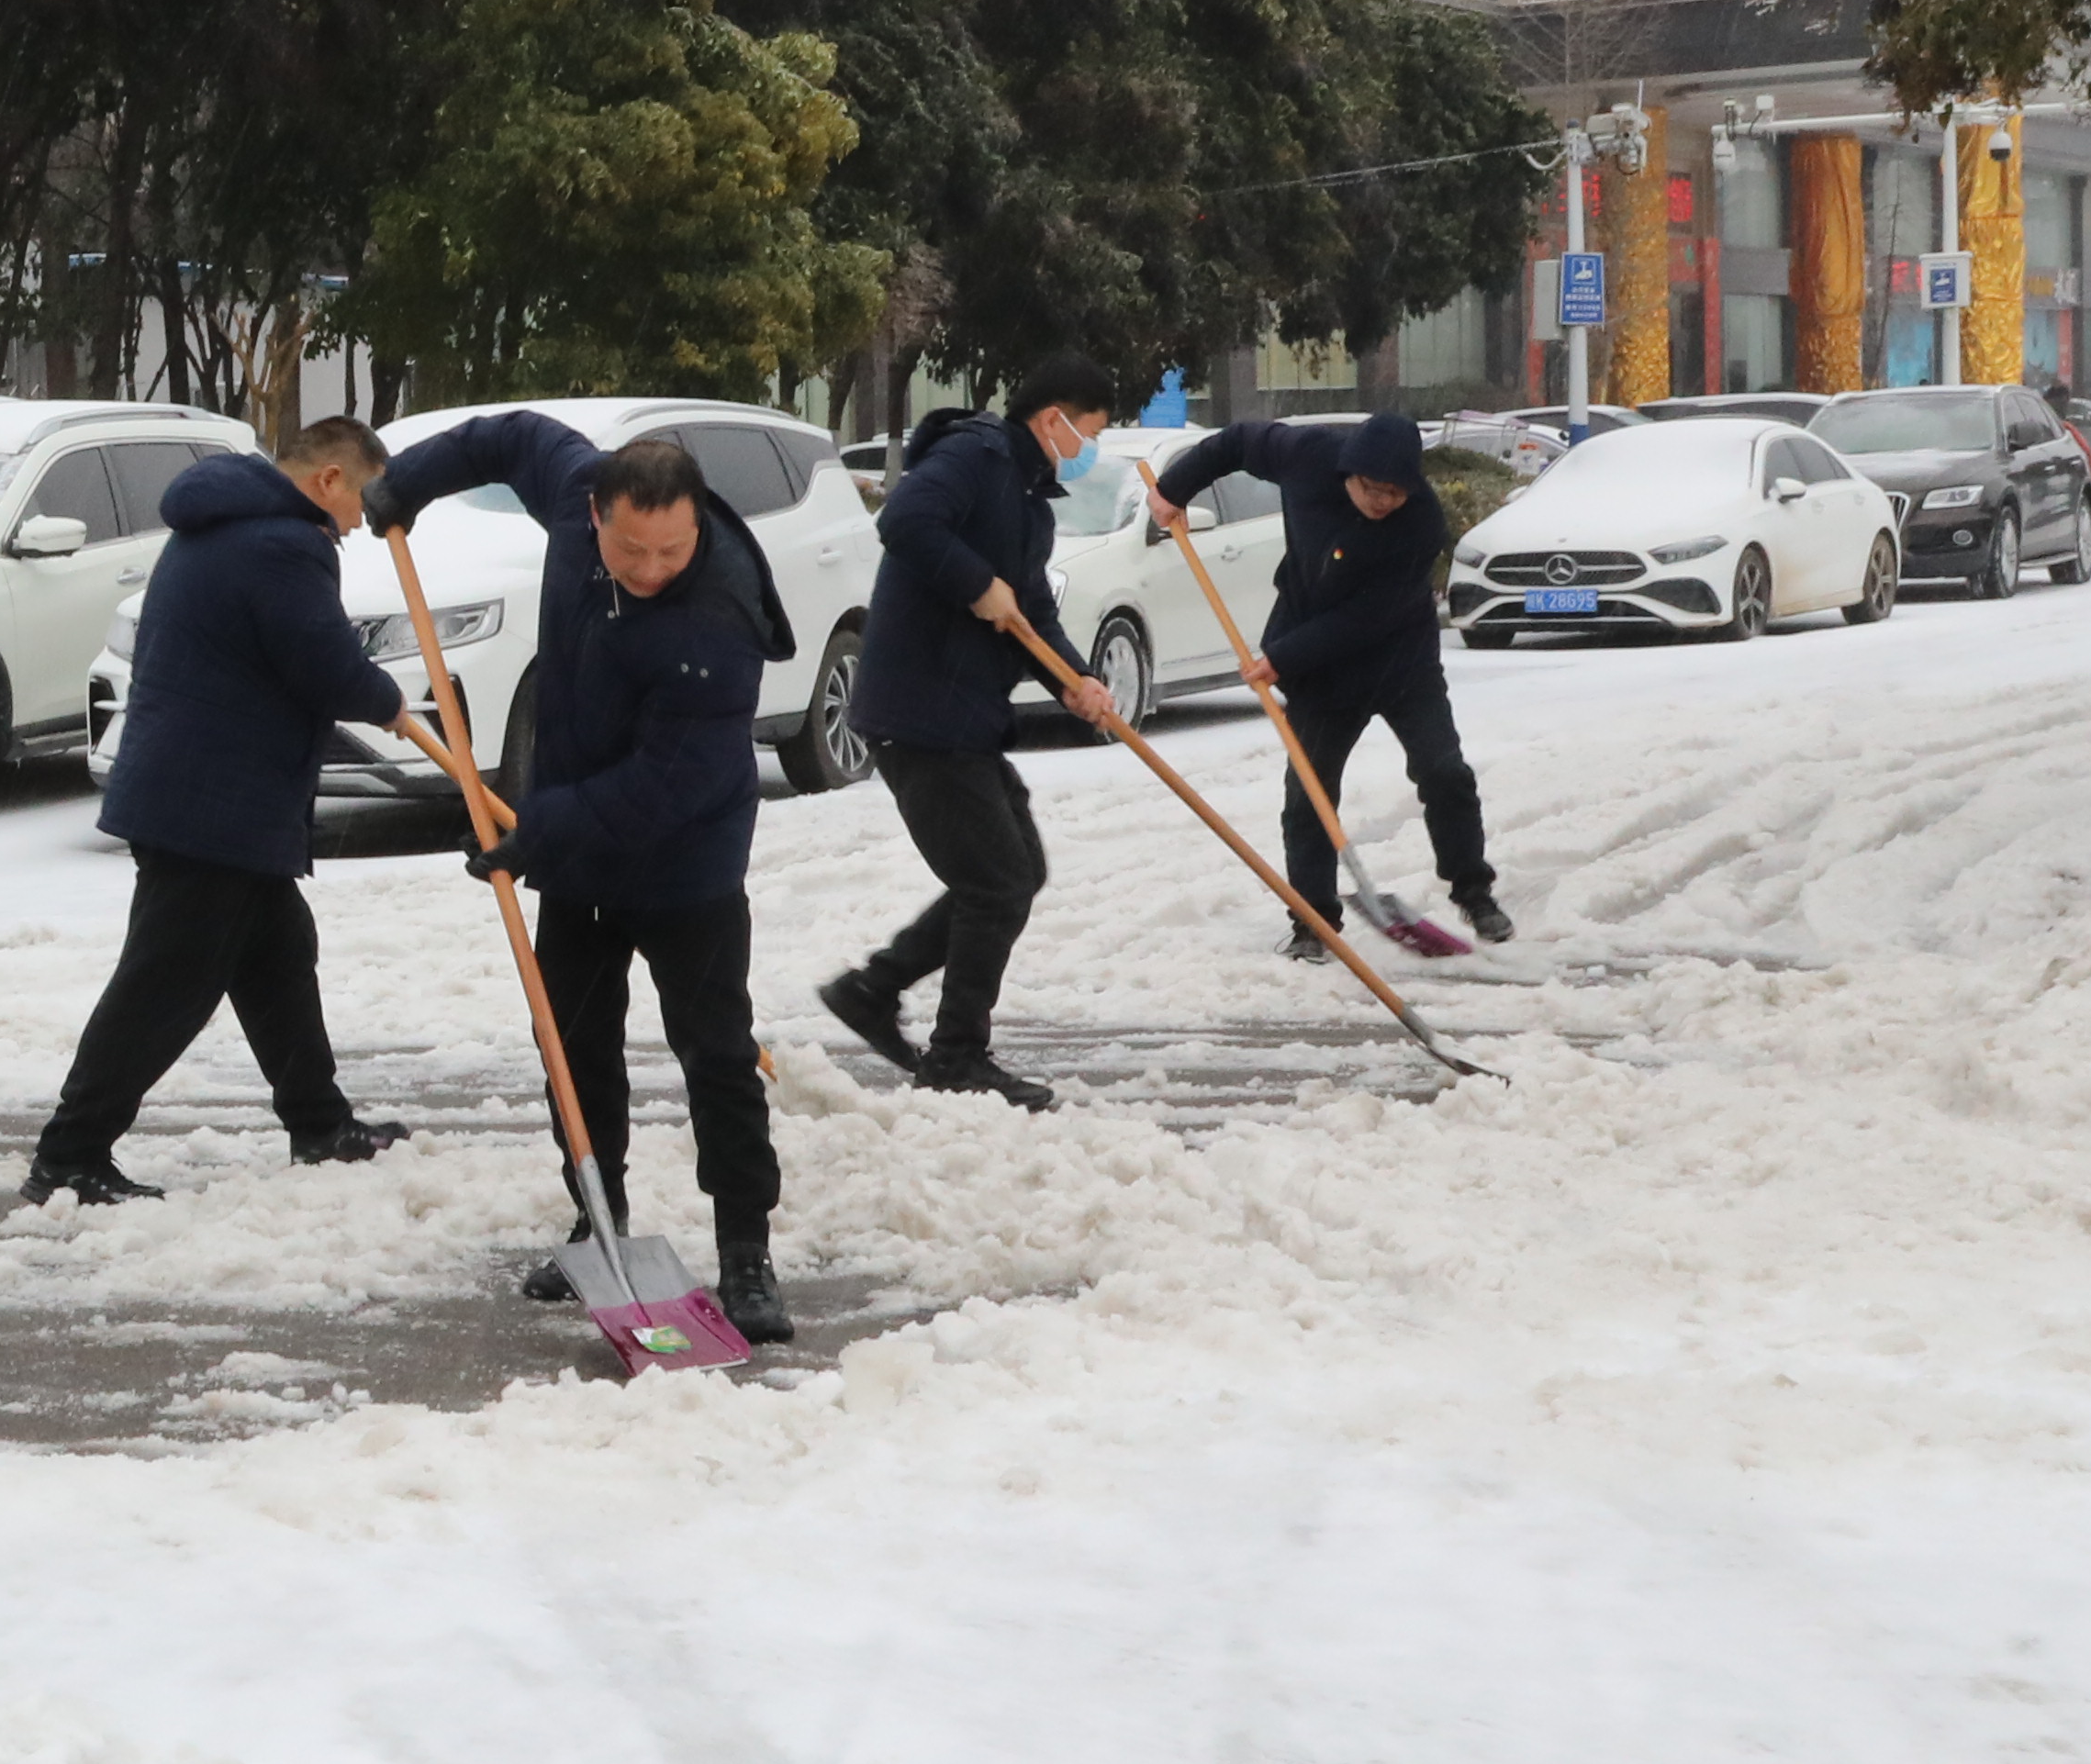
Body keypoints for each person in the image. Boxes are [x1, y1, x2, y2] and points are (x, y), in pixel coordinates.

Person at [365, 414, 800, 1339]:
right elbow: (508, 436)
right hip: (576, 853)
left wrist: (537, 831)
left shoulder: (716, 616)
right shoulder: (571, 495)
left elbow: (666, 783)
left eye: (672, 549)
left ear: (698, 531)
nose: (650, 568)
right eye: (632, 548)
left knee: (716, 1051)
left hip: (687, 859)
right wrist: (410, 481)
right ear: (594, 512)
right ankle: (596, 1218)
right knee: (572, 1045)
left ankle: (745, 1250)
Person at [19, 415, 415, 1205]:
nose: (360, 526)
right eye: (360, 502)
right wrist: (388, 700)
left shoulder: (223, 523)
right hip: (214, 803)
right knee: (164, 986)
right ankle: (70, 1152)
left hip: (200, 791)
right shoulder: (284, 541)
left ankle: (319, 1122)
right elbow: (321, 662)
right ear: (329, 480)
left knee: (277, 952)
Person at [818, 356, 1130, 1109]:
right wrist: (976, 583)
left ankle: (873, 988)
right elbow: (904, 521)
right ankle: (955, 1056)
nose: (1087, 449)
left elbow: (1031, 615)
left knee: (1015, 872)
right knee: (995, 882)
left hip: (962, 715)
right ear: (1053, 417)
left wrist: (1075, 680)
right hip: (918, 709)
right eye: (1086, 431)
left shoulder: (1030, 502)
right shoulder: (974, 455)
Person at [1150, 407, 1505, 949]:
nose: (1383, 501)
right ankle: (1313, 923)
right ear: (1350, 471)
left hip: (1398, 659)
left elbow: (1368, 617)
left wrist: (1284, 657)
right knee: (1309, 794)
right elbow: (1238, 439)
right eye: (1372, 489)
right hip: (1322, 670)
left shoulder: (1421, 524)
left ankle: (1473, 892)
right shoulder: (1306, 455)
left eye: (1395, 492)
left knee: (1444, 772)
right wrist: (1174, 489)